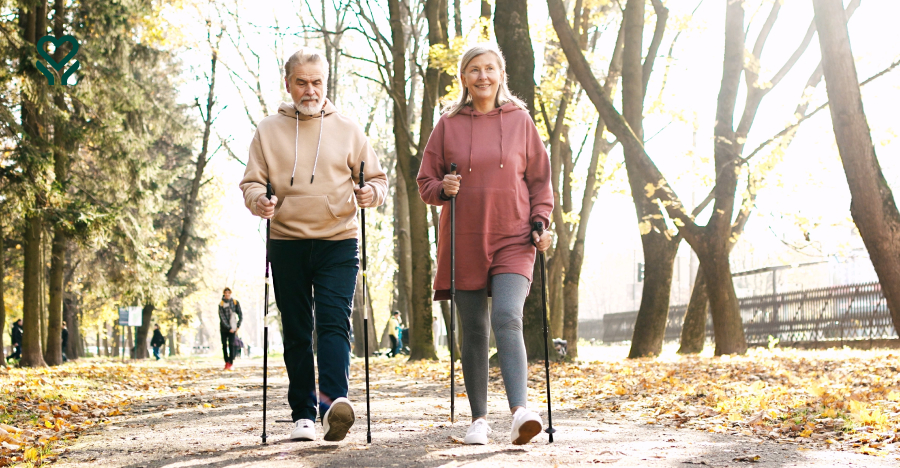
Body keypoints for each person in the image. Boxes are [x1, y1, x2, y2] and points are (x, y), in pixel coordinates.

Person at [240, 47, 388, 443]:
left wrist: (370, 194)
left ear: (326, 83)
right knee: (297, 330)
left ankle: (333, 406)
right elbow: (252, 182)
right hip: (286, 240)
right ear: (288, 83)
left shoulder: (349, 128)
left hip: (338, 240)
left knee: (333, 323)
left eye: (317, 82)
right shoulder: (268, 129)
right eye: (302, 82)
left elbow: (377, 179)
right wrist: (259, 200)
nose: (310, 90)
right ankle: (304, 414)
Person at [417, 43, 554, 446]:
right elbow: (426, 182)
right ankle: (478, 420)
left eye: (490, 69)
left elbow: (540, 180)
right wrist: (443, 187)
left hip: (514, 235)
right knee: (474, 329)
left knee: (508, 317)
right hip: (465, 237)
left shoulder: (519, 119)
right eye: (474, 70)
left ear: (501, 74)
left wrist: (540, 221)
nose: (483, 76)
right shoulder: (447, 124)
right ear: (463, 78)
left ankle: (520, 413)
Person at [218, 287, 243, 370]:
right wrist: (228, 328)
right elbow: (222, 318)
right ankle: (226, 362)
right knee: (224, 345)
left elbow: (240, 315)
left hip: (233, 328)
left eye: (229, 293)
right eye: (226, 293)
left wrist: (237, 326)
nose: (227, 294)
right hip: (224, 329)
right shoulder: (221, 304)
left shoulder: (235, 302)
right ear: (224, 294)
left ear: (230, 293)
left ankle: (231, 362)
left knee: (232, 345)